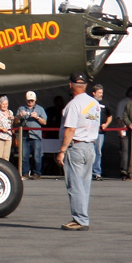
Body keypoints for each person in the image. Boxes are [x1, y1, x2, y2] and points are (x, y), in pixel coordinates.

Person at [55, 71, 102, 230]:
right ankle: (82, 216)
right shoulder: (94, 103)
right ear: (86, 85)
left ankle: (80, 219)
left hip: (76, 146)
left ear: (70, 85)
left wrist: (62, 150)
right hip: (90, 145)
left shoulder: (73, 104)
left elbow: (70, 129)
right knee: (84, 184)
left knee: (74, 185)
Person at [16, 92, 47, 179]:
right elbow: (15, 122)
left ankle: (37, 173)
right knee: (24, 156)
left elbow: (44, 122)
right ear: (26, 99)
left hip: (36, 135)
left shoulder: (40, 109)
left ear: (35, 100)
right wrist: (19, 116)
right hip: (24, 135)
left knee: (37, 156)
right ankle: (25, 173)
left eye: (32, 100)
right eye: (29, 100)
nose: (30, 102)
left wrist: (37, 117)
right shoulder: (21, 108)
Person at [91, 83, 110, 179]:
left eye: (102, 92)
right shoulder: (89, 103)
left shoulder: (105, 103)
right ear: (93, 93)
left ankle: (97, 172)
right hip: (90, 131)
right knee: (90, 151)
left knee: (98, 152)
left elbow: (110, 116)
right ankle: (88, 172)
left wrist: (106, 124)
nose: (101, 94)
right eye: (99, 93)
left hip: (100, 132)